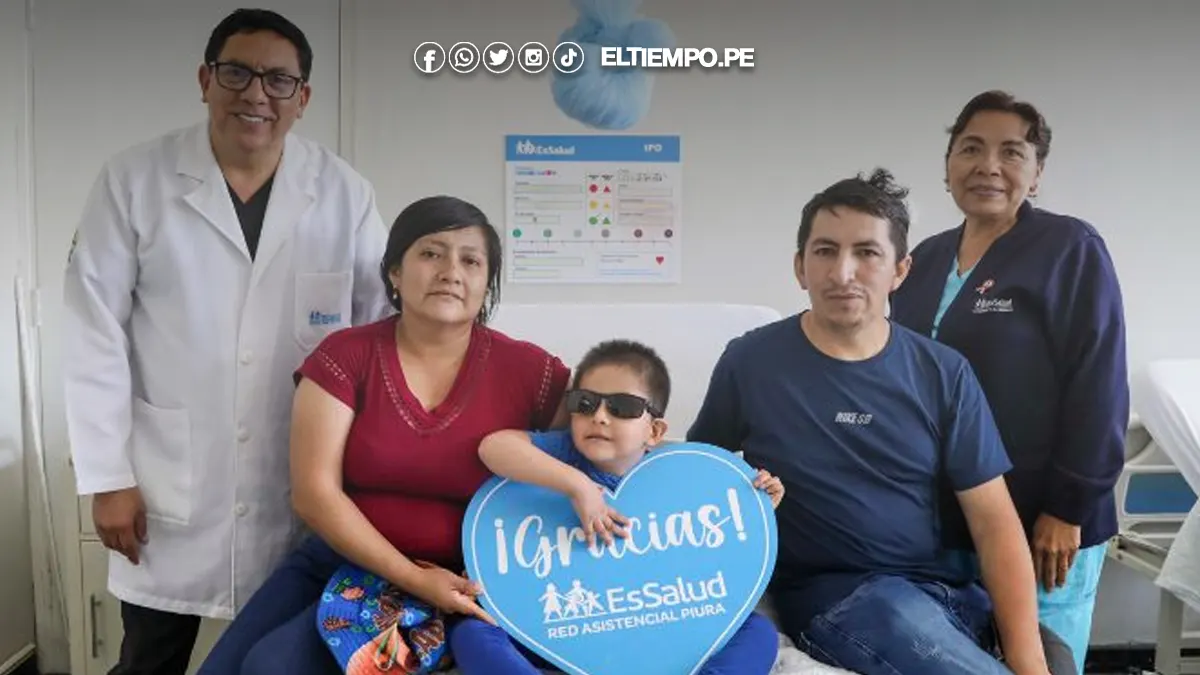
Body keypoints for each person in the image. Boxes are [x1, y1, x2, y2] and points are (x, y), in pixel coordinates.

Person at [62, 8, 391, 674]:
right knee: (150, 658)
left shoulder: (343, 193)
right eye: (237, 73)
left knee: (286, 658)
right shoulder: (134, 181)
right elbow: (92, 329)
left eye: (278, 80)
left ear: (302, 97)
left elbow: (381, 331)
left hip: (297, 483)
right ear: (205, 80)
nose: (256, 94)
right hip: (168, 485)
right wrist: (108, 476)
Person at [686, 169, 1074, 675]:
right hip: (842, 601)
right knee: (904, 622)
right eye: (825, 251)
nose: (843, 272)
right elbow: (695, 481)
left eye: (867, 253)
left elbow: (994, 522)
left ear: (900, 270)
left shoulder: (944, 372)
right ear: (800, 267)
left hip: (946, 593)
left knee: (1054, 657)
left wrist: (1030, 661)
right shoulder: (750, 363)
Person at [195, 195, 572, 675]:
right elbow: (314, 495)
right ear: (394, 272)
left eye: (471, 261)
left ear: (487, 282)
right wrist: (413, 577)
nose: (451, 272)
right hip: (347, 565)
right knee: (252, 667)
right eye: (431, 253)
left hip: (474, 582)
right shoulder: (344, 357)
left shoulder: (533, 372)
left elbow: (593, 454)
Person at [889, 90, 1130, 673]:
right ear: (948, 165)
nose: (988, 166)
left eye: (1011, 153)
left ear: (1037, 173)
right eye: (971, 148)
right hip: (944, 524)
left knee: (1042, 661)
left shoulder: (1069, 249)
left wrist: (1068, 508)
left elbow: (1098, 386)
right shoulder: (924, 260)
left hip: (1042, 523)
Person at [449, 339, 784, 675]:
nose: (599, 417)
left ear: (654, 431)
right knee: (472, 631)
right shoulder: (561, 453)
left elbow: (719, 539)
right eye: (584, 403)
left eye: (622, 407)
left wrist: (755, 505)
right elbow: (494, 447)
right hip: (557, 628)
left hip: (655, 622)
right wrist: (578, 486)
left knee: (758, 632)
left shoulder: (678, 476)